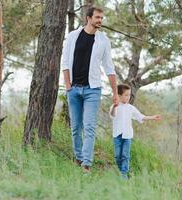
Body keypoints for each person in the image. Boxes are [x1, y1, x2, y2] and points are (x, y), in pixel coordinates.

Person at [62, 7, 118, 173]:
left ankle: (86, 164)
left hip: (93, 90)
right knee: (75, 128)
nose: (100, 20)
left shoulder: (103, 41)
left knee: (89, 127)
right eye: (97, 17)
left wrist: (115, 93)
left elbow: (109, 67)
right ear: (88, 18)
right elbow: (65, 62)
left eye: (101, 18)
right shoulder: (73, 36)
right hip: (74, 89)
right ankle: (78, 158)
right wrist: (68, 86)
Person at [109, 84, 161, 179]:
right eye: (126, 95)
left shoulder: (130, 108)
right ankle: (119, 170)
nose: (128, 97)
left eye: (129, 95)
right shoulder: (114, 107)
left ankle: (123, 174)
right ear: (119, 96)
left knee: (125, 155)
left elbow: (141, 116)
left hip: (127, 136)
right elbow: (112, 115)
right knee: (117, 156)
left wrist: (152, 117)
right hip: (117, 135)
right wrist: (114, 107)